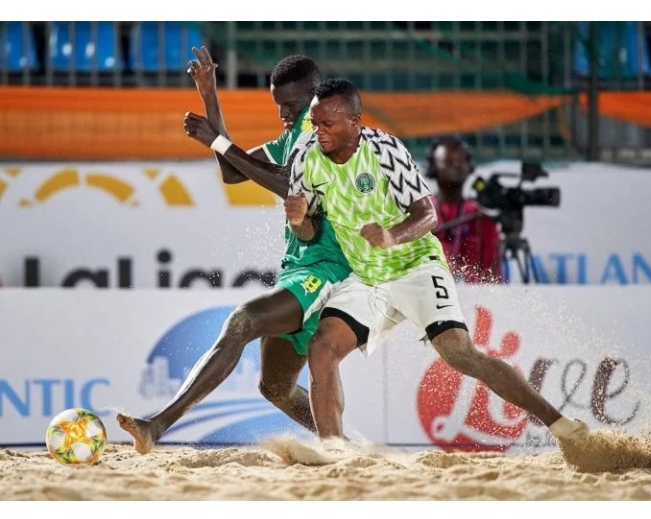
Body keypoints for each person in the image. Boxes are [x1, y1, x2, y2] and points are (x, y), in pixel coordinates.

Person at [280, 78, 589, 444]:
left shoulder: (384, 150)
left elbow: (428, 215)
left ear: (355, 121)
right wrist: (299, 221)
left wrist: (392, 236)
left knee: (461, 354)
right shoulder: (305, 156)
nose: (318, 132)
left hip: (415, 265)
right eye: (314, 123)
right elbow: (308, 234)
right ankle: (334, 448)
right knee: (322, 347)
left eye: (327, 124)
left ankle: (561, 426)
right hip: (366, 276)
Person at [116, 48, 353, 453]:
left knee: (242, 321)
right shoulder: (290, 137)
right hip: (300, 269)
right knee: (275, 388)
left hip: (328, 271)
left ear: (314, 97)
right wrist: (210, 96)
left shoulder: (322, 137)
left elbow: (287, 185)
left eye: (292, 106)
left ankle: (158, 424)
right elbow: (232, 171)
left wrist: (220, 141)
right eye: (279, 106)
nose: (284, 114)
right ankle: (344, 444)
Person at [425, 138, 502, 284]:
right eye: (448, 160)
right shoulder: (420, 214)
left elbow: (495, 278)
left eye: (461, 160)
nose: (457, 165)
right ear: (433, 167)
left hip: (475, 301)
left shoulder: (481, 218)